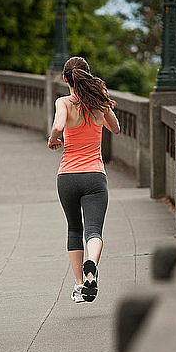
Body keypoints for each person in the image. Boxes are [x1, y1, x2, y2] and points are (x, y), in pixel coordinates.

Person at [47, 56, 120, 303]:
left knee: (74, 228)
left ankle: (79, 285)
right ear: (87, 76)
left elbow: (57, 127)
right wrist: (101, 100)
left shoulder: (64, 103)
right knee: (93, 230)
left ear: (66, 79)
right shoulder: (99, 103)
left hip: (67, 176)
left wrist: (53, 139)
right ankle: (92, 263)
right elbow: (116, 128)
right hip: (94, 176)